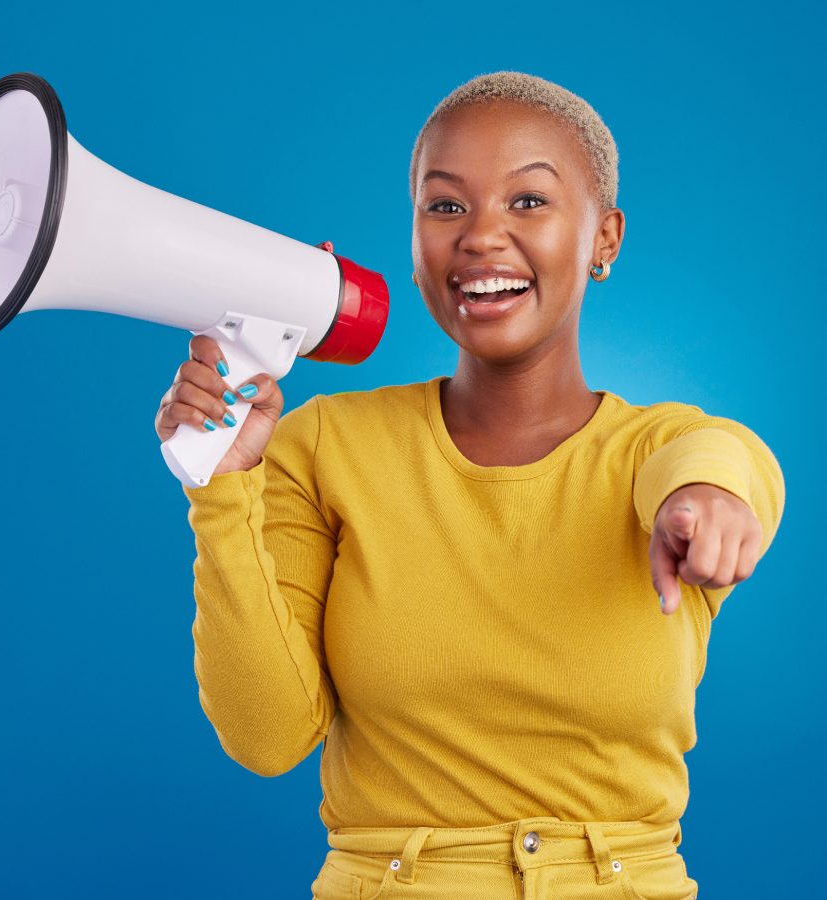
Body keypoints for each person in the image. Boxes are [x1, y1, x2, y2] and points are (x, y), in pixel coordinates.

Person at [154, 71, 785, 899]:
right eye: (445, 206)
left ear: (605, 239)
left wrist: (702, 501)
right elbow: (267, 736)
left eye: (529, 202)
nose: (482, 236)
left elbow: (723, 463)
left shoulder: (661, 451)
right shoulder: (322, 447)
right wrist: (223, 488)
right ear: (414, 247)